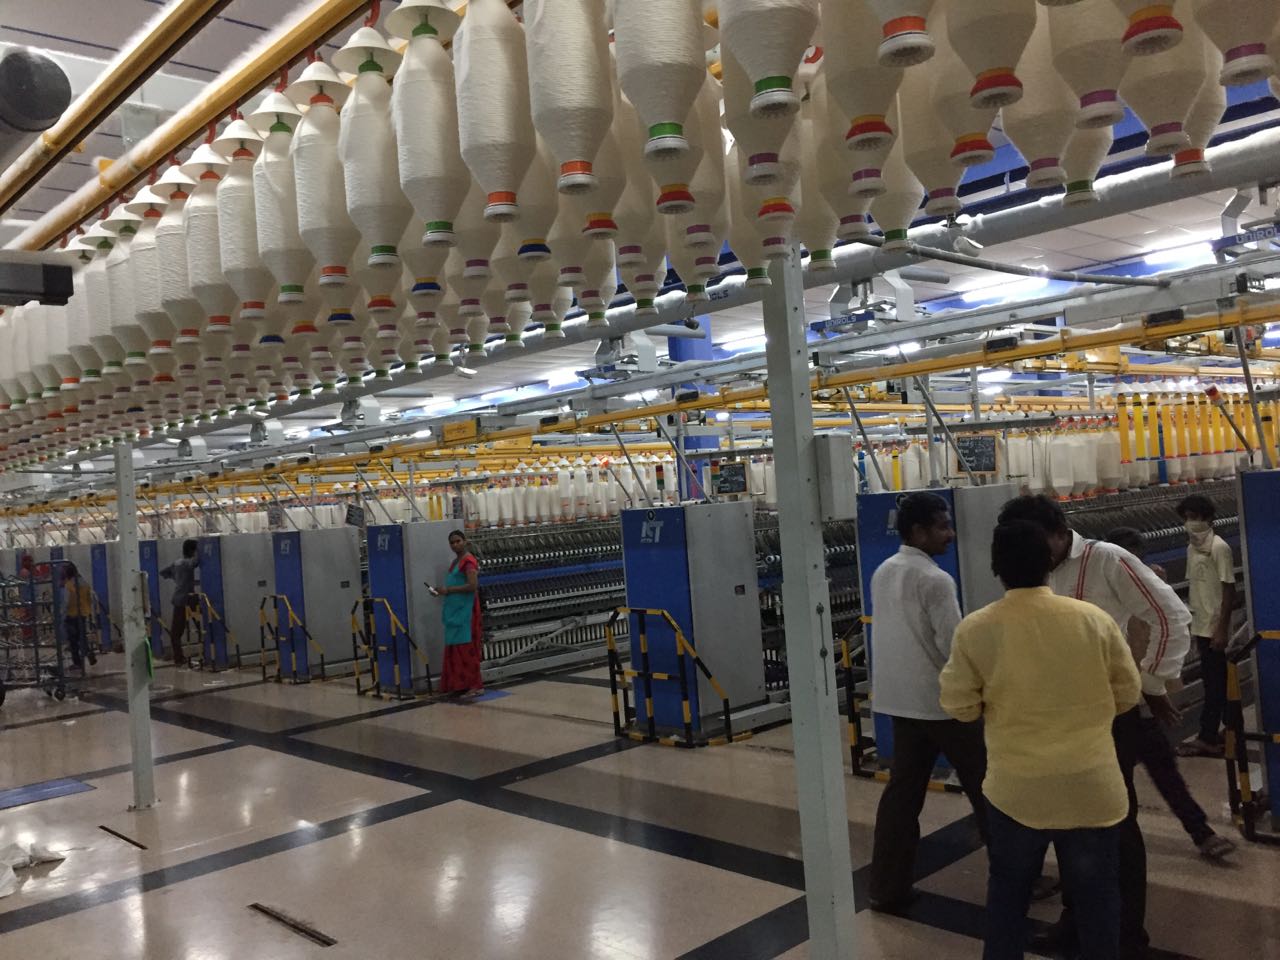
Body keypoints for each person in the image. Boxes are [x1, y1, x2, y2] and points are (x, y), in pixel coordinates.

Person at [998, 495, 1191, 960]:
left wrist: (1152, 681)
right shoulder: (1036, 569)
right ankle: (1076, 922)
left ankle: (1127, 935)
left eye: (1035, 541)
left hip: (1107, 714)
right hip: (1054, 715)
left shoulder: (1107, 560)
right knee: (1067, 822)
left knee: (1114, 823)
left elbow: (1170, 615)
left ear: (1058, 531)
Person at [941, 520, 1141, 960]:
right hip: (1091, 789)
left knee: (1008, 897)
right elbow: (1128, 694)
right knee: (1098, 900)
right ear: (1050, 562)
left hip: (1016, 791)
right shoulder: (1093, 619)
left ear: (996, 568)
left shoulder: (976, 629)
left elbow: (959, 706)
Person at [867, 492, 988, 913]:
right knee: (990, 789)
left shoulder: (884, 571)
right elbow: (955, 646)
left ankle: (886, 887)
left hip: (901, 702)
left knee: (902, 798)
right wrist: (982, 690)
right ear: (918, 532)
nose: (950, 534)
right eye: (942, 526)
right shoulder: (936, 580)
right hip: (944, 704)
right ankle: (1019, 878)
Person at [1105, 528, 1235, 860]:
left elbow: (1163, 634)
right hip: (1115, 704)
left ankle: (1199, 831)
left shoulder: (1149, 586)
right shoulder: (1106, 595)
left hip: (1140, 699)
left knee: (1161, 769)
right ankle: (1189, 834)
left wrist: (1157, 690)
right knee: (1134, 777)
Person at [1173, 495, 1236, 759]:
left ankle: (1208, 736)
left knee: (1215, 684)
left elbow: (1229, 590)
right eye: (1186, 517)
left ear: (1208, 518)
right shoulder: (1192, 548)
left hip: (1214, 628)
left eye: (1195, 517)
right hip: (1200, 626)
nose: (1190, 522)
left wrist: (1221, 629)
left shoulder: (1219, 548)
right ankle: (1229, 730)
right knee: (1214, 681)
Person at [434, 529, 484, 697]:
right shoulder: (456, 562)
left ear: (465, 541)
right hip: (455, 611)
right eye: (452, 542)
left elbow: (472, 585)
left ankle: (475, 685)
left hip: (466, 612)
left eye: (458, 541)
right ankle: (458, 684)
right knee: (454, 648)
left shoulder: (468, 562)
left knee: (466, 648)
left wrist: (448, 590)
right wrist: (441, 591)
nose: (455, 545)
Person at [160, 539, 200, 667]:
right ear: (192, 551)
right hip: (188, 599)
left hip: (178, 599)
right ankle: (206, 654)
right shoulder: (188, 563)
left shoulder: (176, 563)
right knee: (202, 627)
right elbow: (197, 561)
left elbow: (163, 572)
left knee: (176, 632)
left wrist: (178, 581)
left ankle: (179, 658)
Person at [62, 562, 96, 675]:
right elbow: (91, 597)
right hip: (83, 613)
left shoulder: (69, 585)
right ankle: (88, 652)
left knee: (73, 640)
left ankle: (77, 663)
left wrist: (62, 614)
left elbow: (66, 601)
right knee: (81, 636)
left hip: (71, 614)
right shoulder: (85, 582)